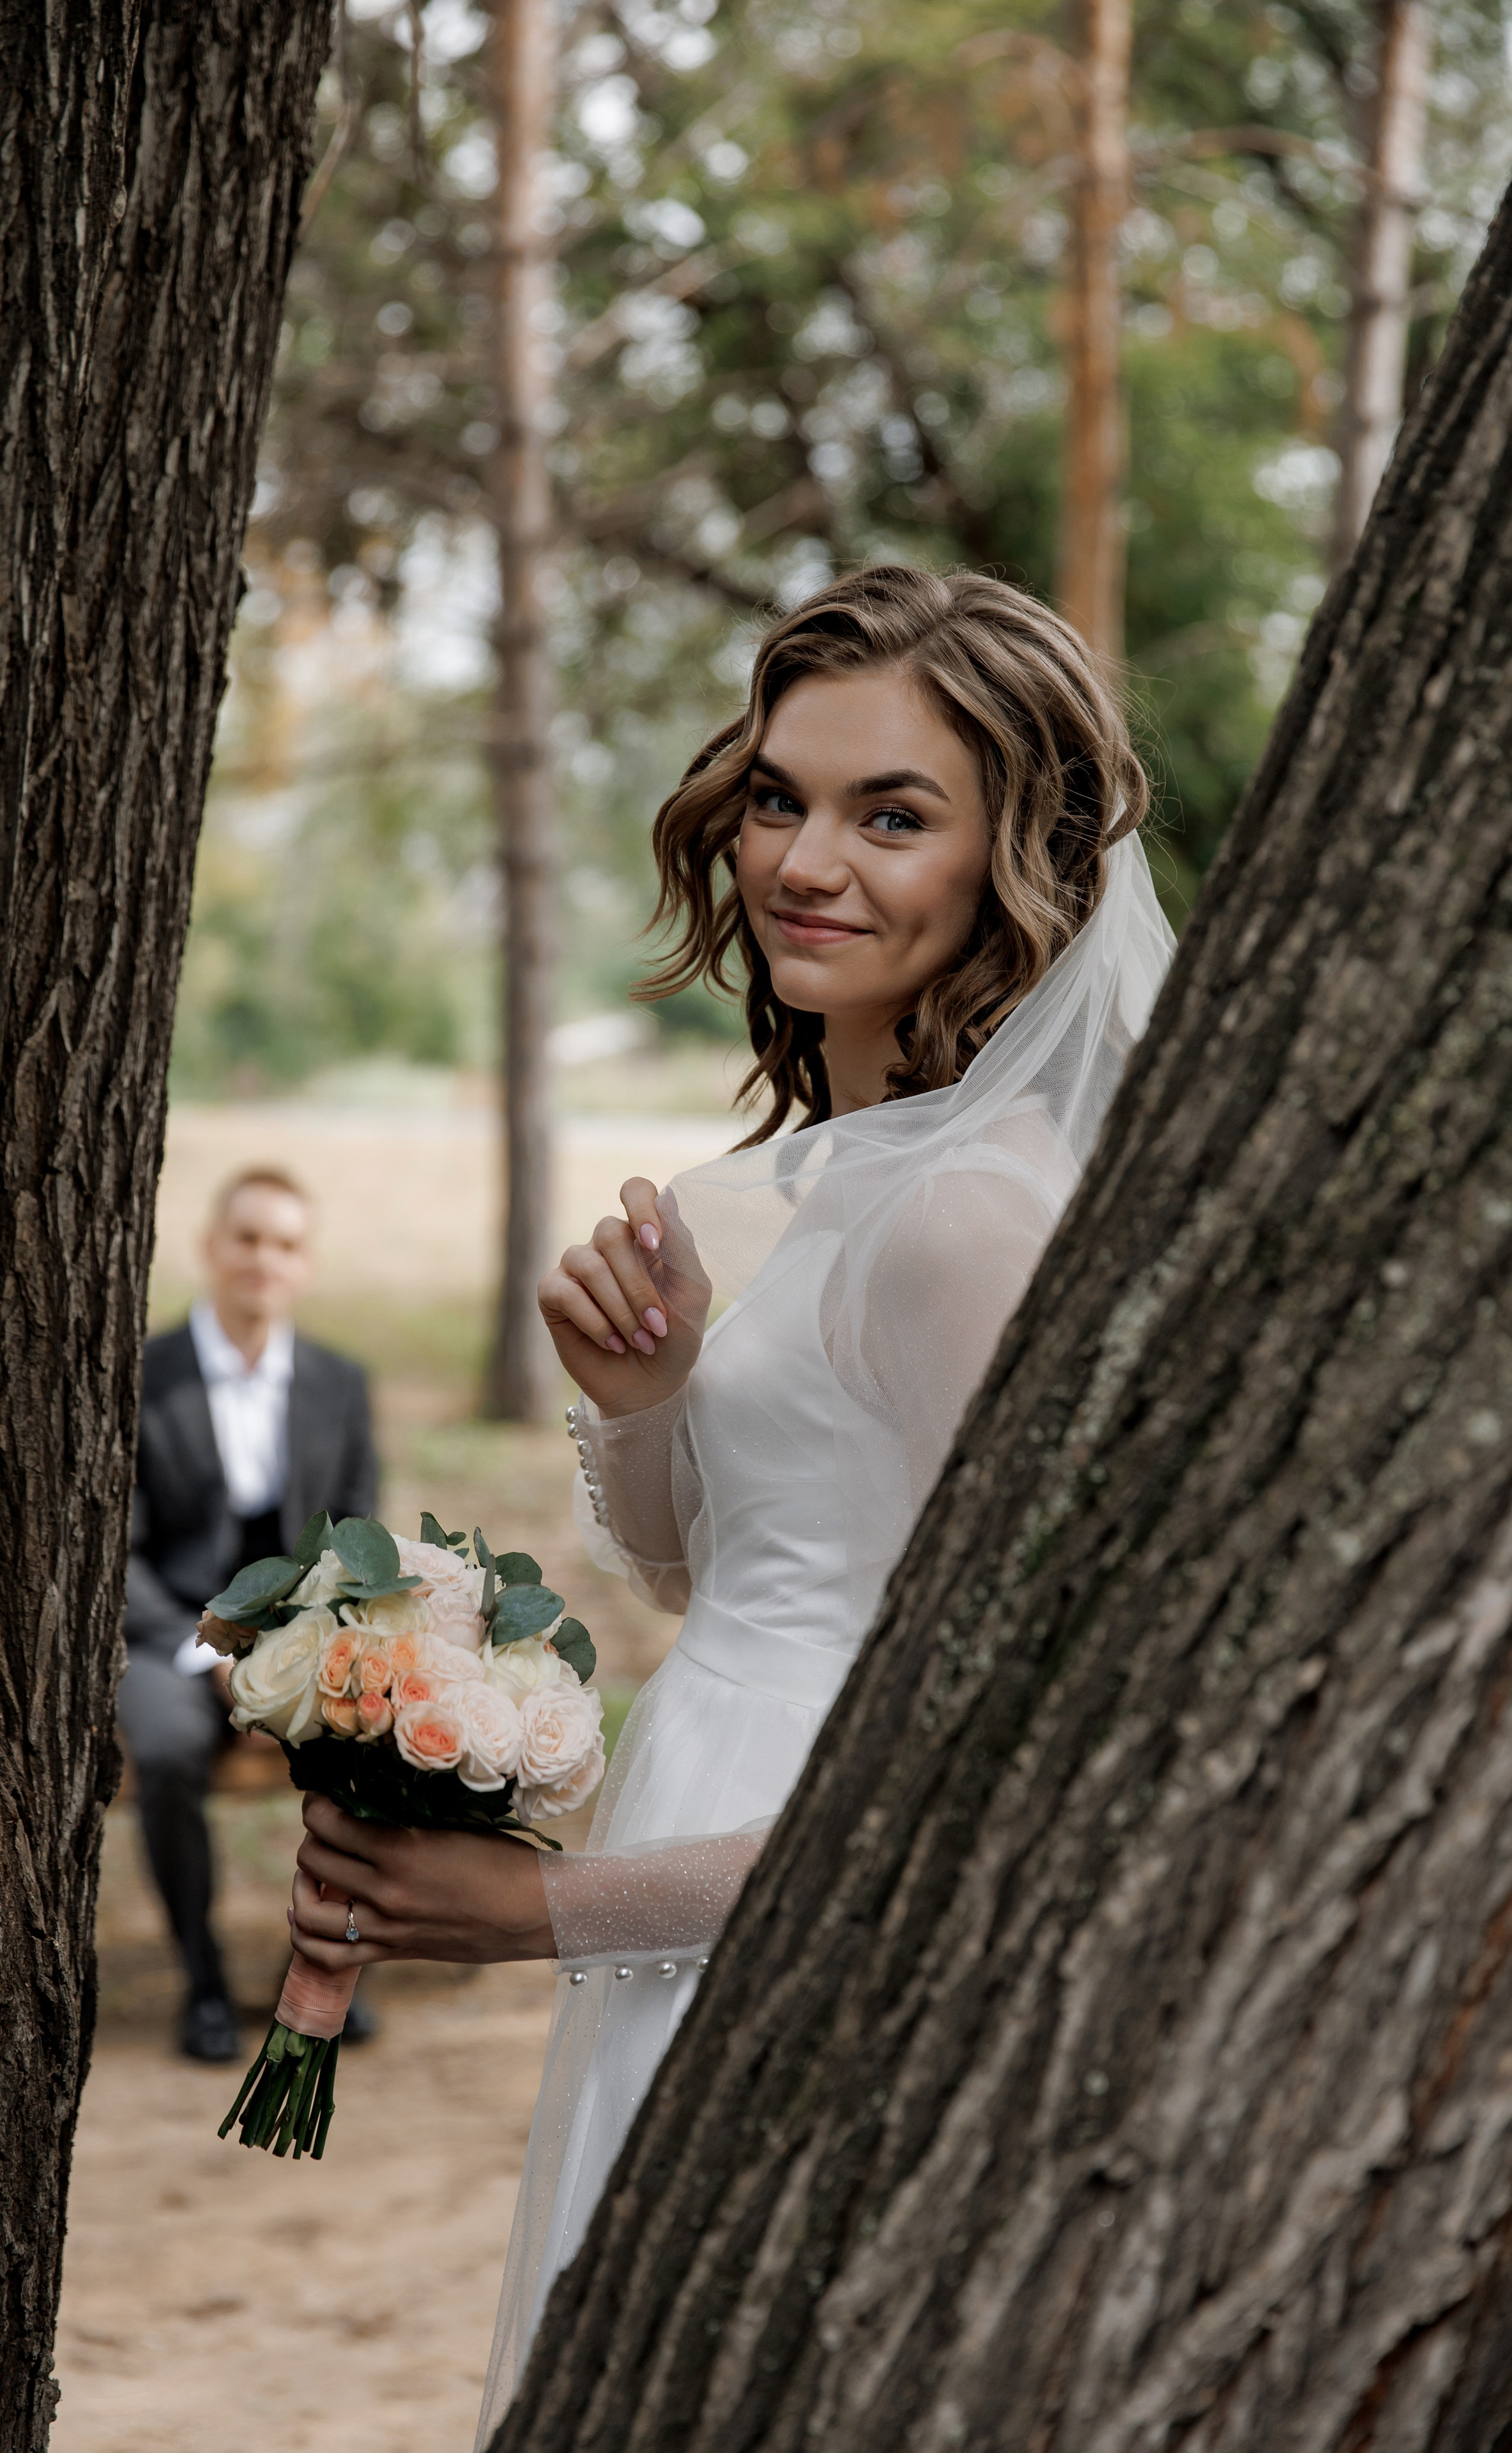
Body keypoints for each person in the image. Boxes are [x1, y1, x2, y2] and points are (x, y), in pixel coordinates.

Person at [280, 566, 1177, 2431]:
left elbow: (987, 1768)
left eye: (893, 816)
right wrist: (648, 1401)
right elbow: (735, 1570)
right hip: (715, 1819)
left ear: (1024, 862)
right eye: (779, 797)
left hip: (801, 1893)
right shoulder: (855, 1175)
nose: (803, 863)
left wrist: (544, 1911)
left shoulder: (962, 1220)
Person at [119, 1166, 379, 2062]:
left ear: (305, 1264)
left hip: (301, 1635)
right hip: (169, 1635)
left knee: (378, 1736)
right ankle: (201, 1978)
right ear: (211, 1247)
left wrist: (293, 1657)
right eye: (249, 1238)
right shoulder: (143, 1373)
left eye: (286, 1244)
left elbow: (357, 1544)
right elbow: (119, 1554)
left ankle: (323, 1965)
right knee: (164, 1748)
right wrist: (215, 1656)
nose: (265, 1259)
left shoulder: (340, 1382)